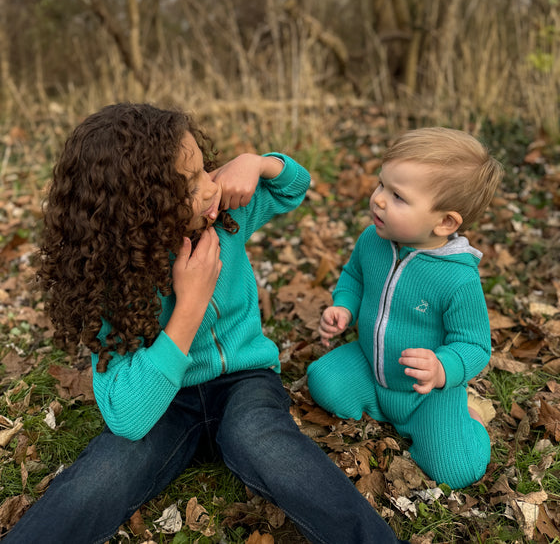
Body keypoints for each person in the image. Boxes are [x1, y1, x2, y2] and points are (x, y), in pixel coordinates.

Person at [5, 103, 408, 544]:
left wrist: (257, 162)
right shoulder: (111, 282)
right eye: (191, 183)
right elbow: (128, 418)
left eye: (204, 169)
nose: (210, 187)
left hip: (244, 380)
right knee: (102, 475)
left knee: (265, 441)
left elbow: (295, 186)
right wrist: (189, 307)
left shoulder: (227, 219)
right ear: (141, 208)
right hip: (164, 403)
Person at [307, 127, 503, 490]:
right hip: (371, 365)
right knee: (322, 380)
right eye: (382, 185)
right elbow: (354, 277)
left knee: (458, 470)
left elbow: (475, 345)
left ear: (445, 221)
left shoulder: (457, 280)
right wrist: (344, 307)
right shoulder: (373, 240)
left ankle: (469, 418)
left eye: (397, 196)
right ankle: (382, 408)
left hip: (425, 394)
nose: (378, 199)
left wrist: (443, 368)